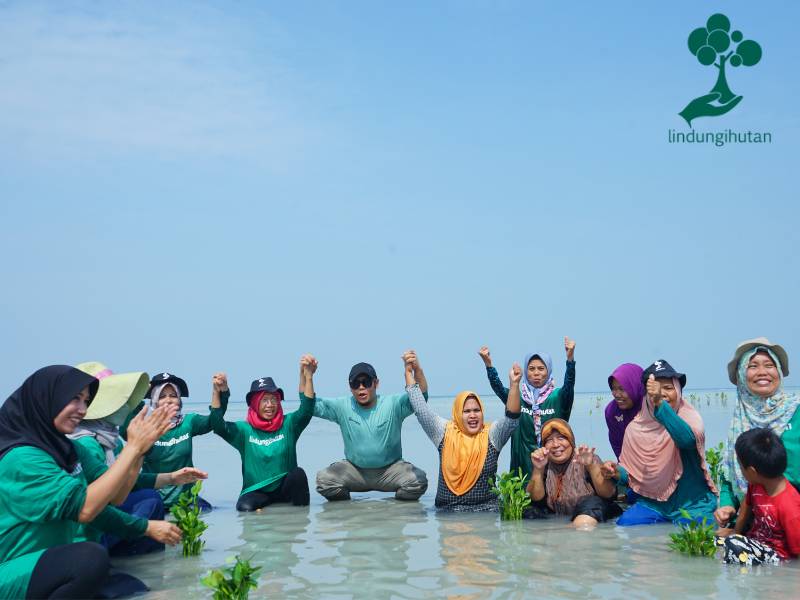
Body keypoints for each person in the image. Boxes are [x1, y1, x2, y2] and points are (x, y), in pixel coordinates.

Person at [0, 365, 178, 600]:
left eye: (86, 401)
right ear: (45, 399)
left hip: (50, 567)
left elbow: (116, 497)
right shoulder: (22, 458)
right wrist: (133, 447)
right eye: (74, 399)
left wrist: (139, 451)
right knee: (89, 559)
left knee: (132, 587)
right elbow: (85, 509)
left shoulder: (70, 448)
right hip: (13, 571)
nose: (82, 409)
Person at [68, 362, 204, 556]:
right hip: (88, 535)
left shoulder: (110, 439)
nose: (125, 406)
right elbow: (110, 499)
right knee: (151, 501)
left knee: (149, 497)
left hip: (103, 512)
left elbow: (123, 483)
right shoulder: (88, 444)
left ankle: (143, 564)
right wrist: (145, 527)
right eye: (119, 400)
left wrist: (173, 477)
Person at [604, 360, 717, 526]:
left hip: (693, 504)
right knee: (625, 523)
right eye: (655, 389)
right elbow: (632, 475)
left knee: (696, 534)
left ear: (678, 391)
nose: (662, 393)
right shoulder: (636, 428)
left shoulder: (690, 418)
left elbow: (686, 440)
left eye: (668, 388)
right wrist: (615, 472)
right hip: (655, 503)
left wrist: (659, 403)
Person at [406, 354, 520, 511]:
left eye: (476, 410)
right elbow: (421, 410)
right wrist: (409, 373)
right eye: (466, 411)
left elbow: (512, 420)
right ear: (458, 414)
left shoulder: (492, 435)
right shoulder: (444, 432)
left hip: (486, 511)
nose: (472, 415)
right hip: (446, 512)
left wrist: (514, 385)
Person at [314, 352, 429, 501]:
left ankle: (396, 509)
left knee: (418, 481)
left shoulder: (392, 404)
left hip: (390, 471)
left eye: (366, 382)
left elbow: (421, 398)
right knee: (324, 480)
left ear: (376, 383)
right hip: (355, 471)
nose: (361, 388)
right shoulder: (342, 406)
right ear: (350, 387)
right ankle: (348, 509)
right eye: (356, 384)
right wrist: (307, 375)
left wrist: (416, 370)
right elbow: (310, 405)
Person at [715, 338, 800, 529]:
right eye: (752, 366)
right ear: (741, 376)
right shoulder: (739, 420)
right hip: (749, 520)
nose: (762, 372)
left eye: (769, 365)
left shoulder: (797, 413)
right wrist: (727, 505)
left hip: (792, 518)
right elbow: (729, 472)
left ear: (778, 371)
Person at [210, 359, 315, 512]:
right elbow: (218, 425)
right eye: (264, 400)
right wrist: (218, 392)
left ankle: (299, 520)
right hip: (257, 491)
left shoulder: (289, 424)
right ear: (255, 403)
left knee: (298, 475)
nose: (270, 405)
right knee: (244, 509)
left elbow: (307, 409)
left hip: (285, 489)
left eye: (273, 399)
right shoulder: (244, 430)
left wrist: (308, 376)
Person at [478, 338, 576, 481]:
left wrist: (570, 359)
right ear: (525, 371)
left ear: (548, 371)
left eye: (541, 369)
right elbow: (498, 388)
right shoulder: (517, 398)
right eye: (531, 369)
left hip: (553, 468)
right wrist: (488, 364)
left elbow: (569, 384)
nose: (536, 373)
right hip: (522, 469)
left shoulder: (558, 397)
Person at [121, 371, 217, 511]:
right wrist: (138, 397)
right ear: (154, 401)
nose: (169, 400)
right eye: (162, 396)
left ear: (179, 399)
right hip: (154, 499)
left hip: (186, 500)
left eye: (173, 395)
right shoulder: (146, 427)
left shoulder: (188, 422)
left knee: (210, 512)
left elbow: (214, 422)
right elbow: (125, 431)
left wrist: (218, 393)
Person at [716, 428, 800, 565]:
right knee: (715, 540)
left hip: (778, 556)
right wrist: (736, 533)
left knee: (733, 545)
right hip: (754, 543)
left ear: (752, 471)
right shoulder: (756, 484)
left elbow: (797, 552)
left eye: (740, 466)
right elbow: (745, 507)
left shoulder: (790, 506)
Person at [527, 418, 620, 527]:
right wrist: (538, 469)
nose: (556, 444)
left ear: (571, 440)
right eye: (549, 440)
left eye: (561, 438)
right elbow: (535, 499)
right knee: (530, 512)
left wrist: (591, 465)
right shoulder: (544, 463)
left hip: (591, 513)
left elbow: (608, 495)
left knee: (593, 503)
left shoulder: (586, 458)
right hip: (560, 517)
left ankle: (575, 529)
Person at [604, 363, 645, 460]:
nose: (617, 395)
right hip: (629, 463)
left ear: (636, 386)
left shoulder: (650, 406)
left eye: (622, 389)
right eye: (613, 389)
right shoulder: (611, 412)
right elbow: (617, 445)